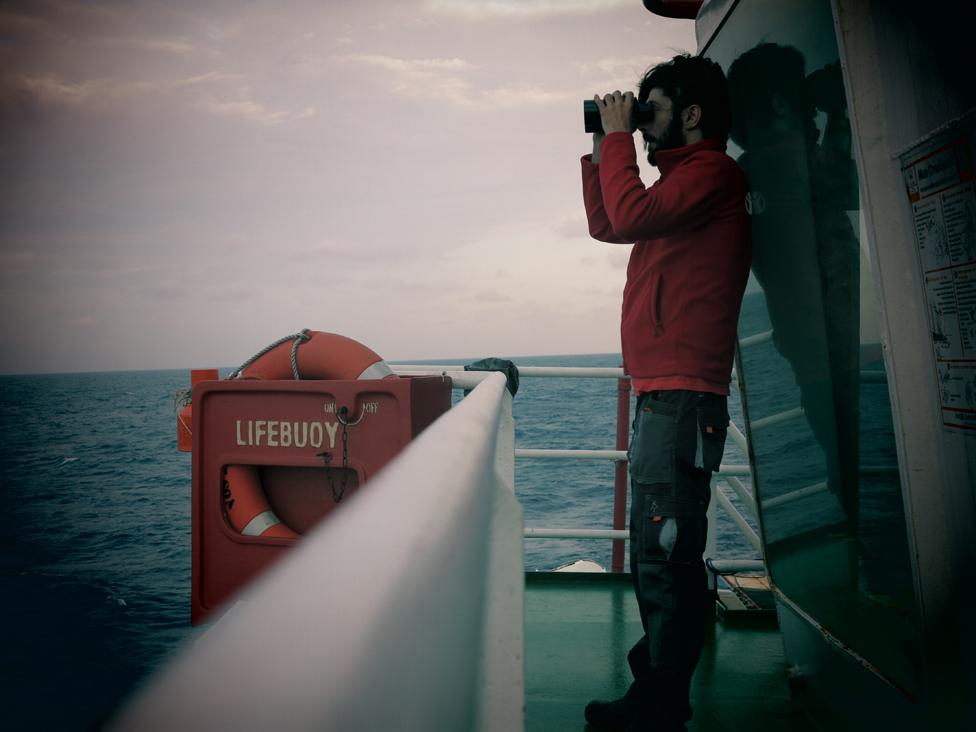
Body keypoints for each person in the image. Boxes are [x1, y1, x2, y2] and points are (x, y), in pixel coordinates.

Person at [580, 54, 751, 731]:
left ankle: (660, 703)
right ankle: (658, 682)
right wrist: (605, 141)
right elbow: (609, 222)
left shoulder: (711, 173)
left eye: (651, 113)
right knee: (660, 547)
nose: (644, 131)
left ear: (692, 114)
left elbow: (627, 215)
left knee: (664, 551)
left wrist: (619, 138)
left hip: (680, 399)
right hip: (666, 396)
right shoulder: (683, 188)